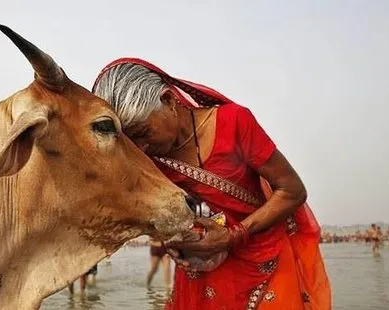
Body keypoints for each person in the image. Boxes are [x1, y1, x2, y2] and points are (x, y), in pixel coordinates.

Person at [92, 58, 331, 309]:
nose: (141, 148)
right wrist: (174, 242)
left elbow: (292, 190)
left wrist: (231, 236)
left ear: (169, 101)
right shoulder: (149, 159)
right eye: (133, 142)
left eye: (143, 133)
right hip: (204, 267)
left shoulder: (234, 123)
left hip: (264, 255)